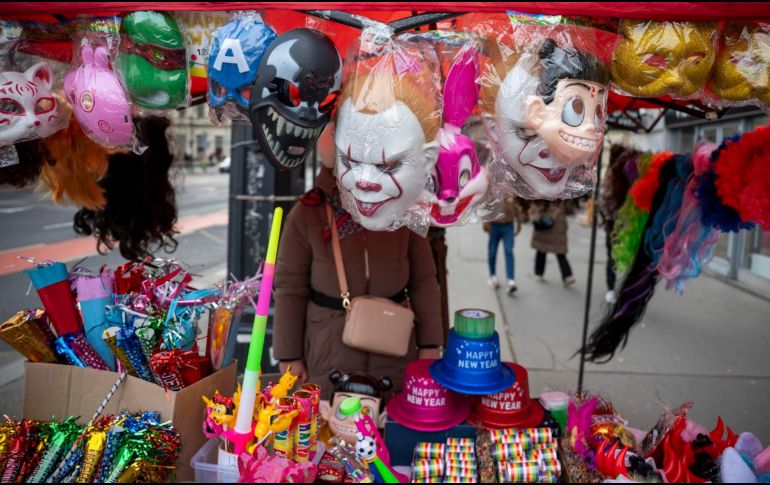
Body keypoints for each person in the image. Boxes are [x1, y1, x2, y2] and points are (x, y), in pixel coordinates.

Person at [272, 130, 443, 400]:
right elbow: (289, 287)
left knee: (391, 418)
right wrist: (289, 355)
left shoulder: (403, 210)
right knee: (330, 420)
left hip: (394, 347)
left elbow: (424, 281)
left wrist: (430, 344)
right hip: (329, 350)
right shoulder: (308, 212)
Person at [529, 200, 576, 287]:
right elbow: (570, 210)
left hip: (551, 226)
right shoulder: (560, 196)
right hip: (550, 226)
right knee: (555, 251)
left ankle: (539, 274)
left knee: (543, 250)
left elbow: (570, 210)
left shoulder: (541, 196)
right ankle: (567, 276)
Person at [484, 197, 523, 295]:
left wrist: (519, 222)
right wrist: (486, 221)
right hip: (495, 225)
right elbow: (487, 204)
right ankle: (493, 275)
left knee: (509, 251)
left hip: (508, 226)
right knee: (492, 252)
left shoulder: (512, 191)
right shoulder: (494, 191)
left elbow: (518, 207)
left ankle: (510, 281)